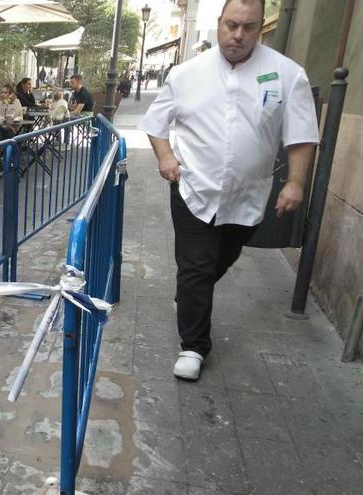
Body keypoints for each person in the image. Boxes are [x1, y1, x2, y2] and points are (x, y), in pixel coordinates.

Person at [140, 0, 319, 381]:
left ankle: (191, 294)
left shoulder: (287, 74)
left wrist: (297, 182)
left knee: (219, 260)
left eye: (249, 27)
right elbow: (156, 123)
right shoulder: (186, 74)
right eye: (231, 25)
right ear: (219, 22)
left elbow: (302, 135)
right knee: (196, 265)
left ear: (259, 28)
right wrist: (166, 157)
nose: (238, 35)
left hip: (248, 194)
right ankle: (193, 346)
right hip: (192, 188)